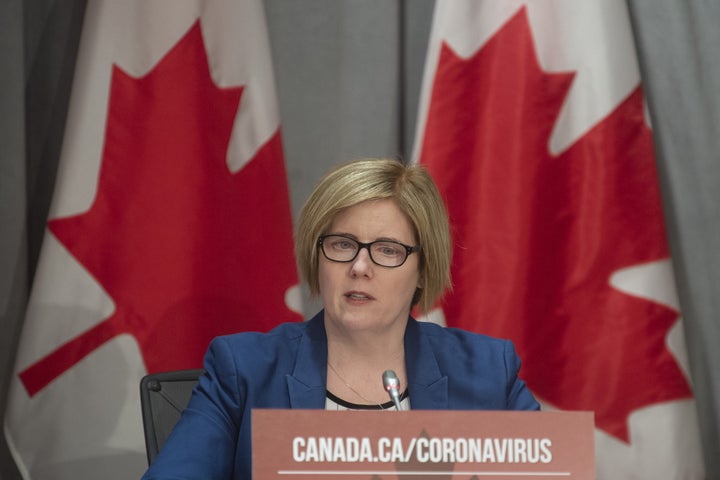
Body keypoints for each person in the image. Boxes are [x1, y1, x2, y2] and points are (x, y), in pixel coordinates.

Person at [141, 158, 539, 479]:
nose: (359, 266)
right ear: (318, 258)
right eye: (342, 244)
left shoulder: (488, 372)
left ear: (423, 268)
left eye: (387, 250)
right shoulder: (244, 369)